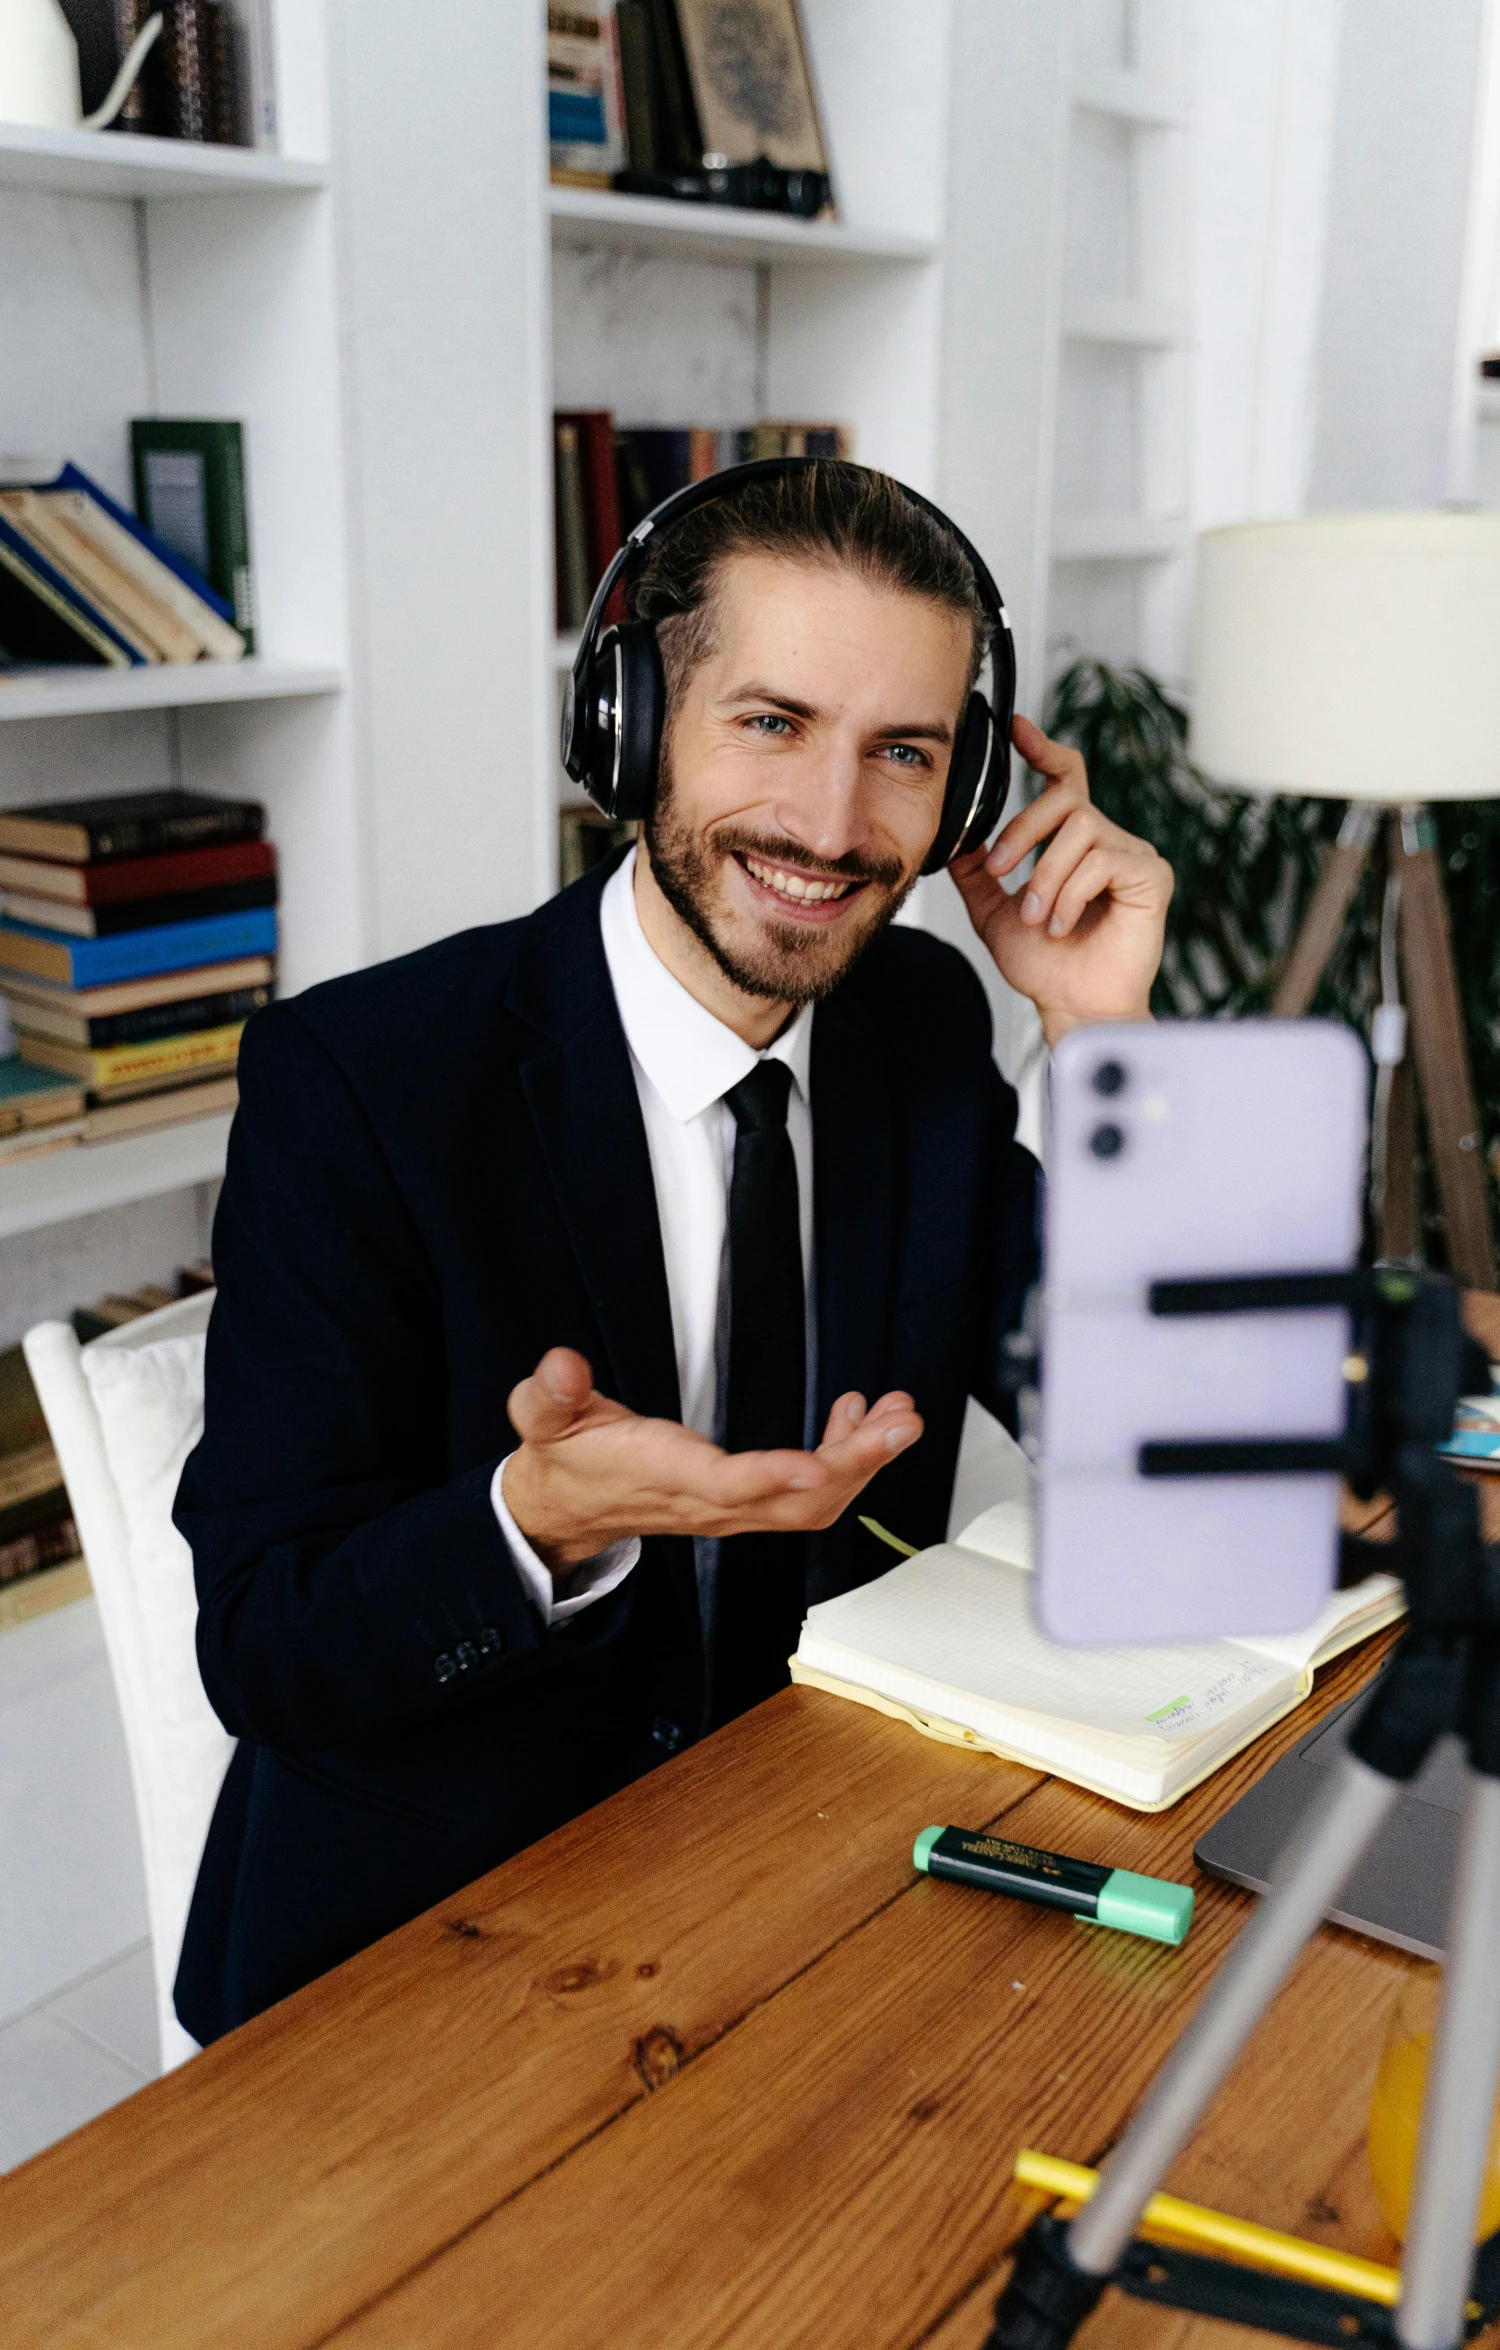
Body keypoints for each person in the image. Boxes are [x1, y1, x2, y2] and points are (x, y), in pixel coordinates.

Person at [173, 463, 1172, 2042]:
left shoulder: (915, 1019)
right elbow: (266, 1643)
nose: (833, 828)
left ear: (969, 789)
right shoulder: (363, 1080)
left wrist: (1100, 1033)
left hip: (825, 1882)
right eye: (769, 723)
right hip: (440, 1946)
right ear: (625, 725)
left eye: (901, 752)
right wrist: (532, 1526)